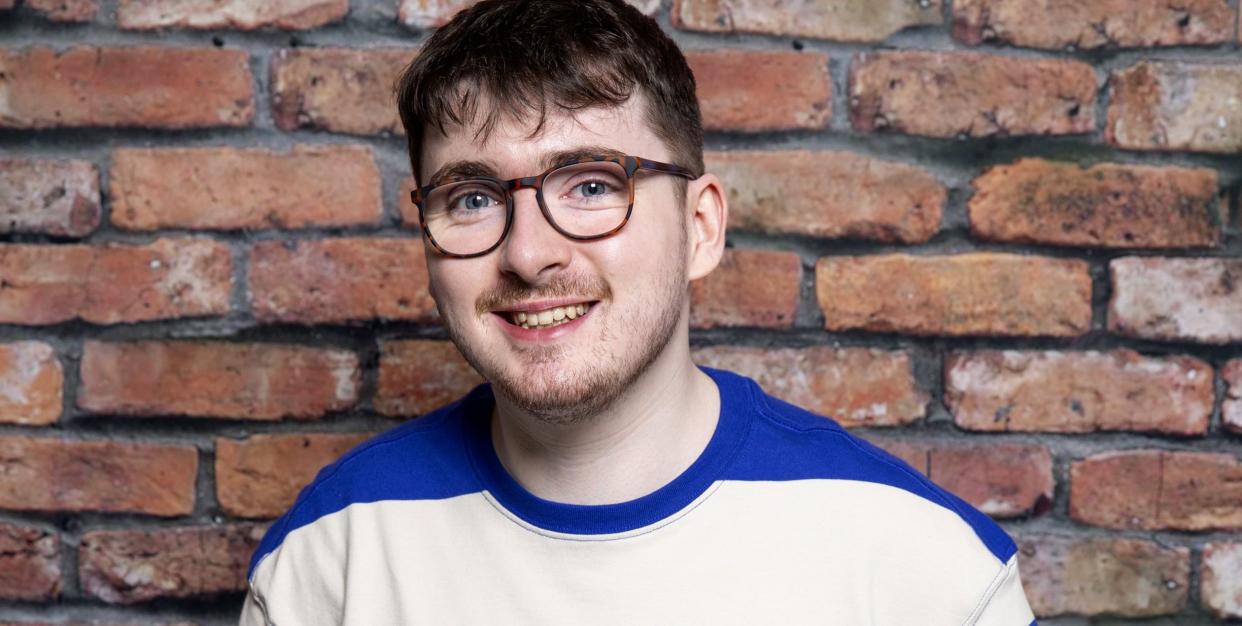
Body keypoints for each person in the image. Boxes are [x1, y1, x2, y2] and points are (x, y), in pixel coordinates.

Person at [240, 1, 1037, 624]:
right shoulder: (331, 556)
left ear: (700, 229)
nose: (528, 254)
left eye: (591, 184)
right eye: (473, 197)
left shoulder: (924, 572)